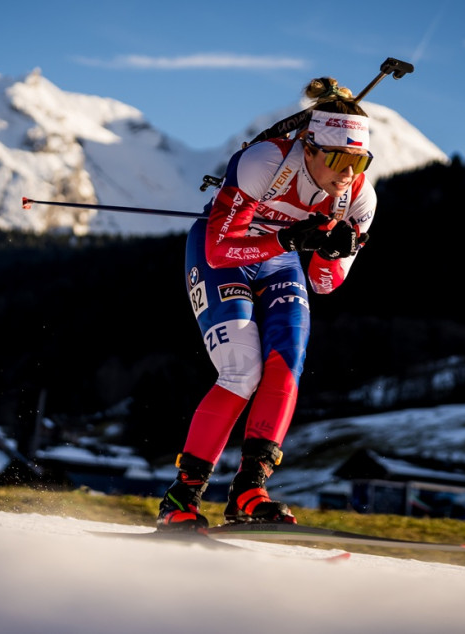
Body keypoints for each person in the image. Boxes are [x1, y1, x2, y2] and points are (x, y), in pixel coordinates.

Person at [157, 77, 377, 532]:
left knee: (286, 362)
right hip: (224, 255)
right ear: (309, 147)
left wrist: (331, 251)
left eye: (359, 161)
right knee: (241, 369)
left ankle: (250, 488)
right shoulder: (266, 161)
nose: (348, 172)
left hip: (279, 261)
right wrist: (289, 238)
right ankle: (182, 495)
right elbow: (220, 249)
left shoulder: (358, 199)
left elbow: (322, 284)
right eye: (338, 158)